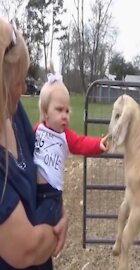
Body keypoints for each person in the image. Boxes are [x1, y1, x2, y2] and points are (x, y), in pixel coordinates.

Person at [0, 18, 68, 269]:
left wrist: (61, 211)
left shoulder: (14, 114)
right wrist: (55, 224)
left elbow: (43, 169)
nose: (24, 87)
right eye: (18, 81)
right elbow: (26, 250)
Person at [33, 70, 108, 226]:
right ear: (45, 112)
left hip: (52, 195)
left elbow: (81, 143)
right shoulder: (37, 130)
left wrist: (98, 144)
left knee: (42, 226)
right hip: (33, 191)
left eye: (67, 111)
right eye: (59, 110)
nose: (65, 115)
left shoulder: (65, 135)